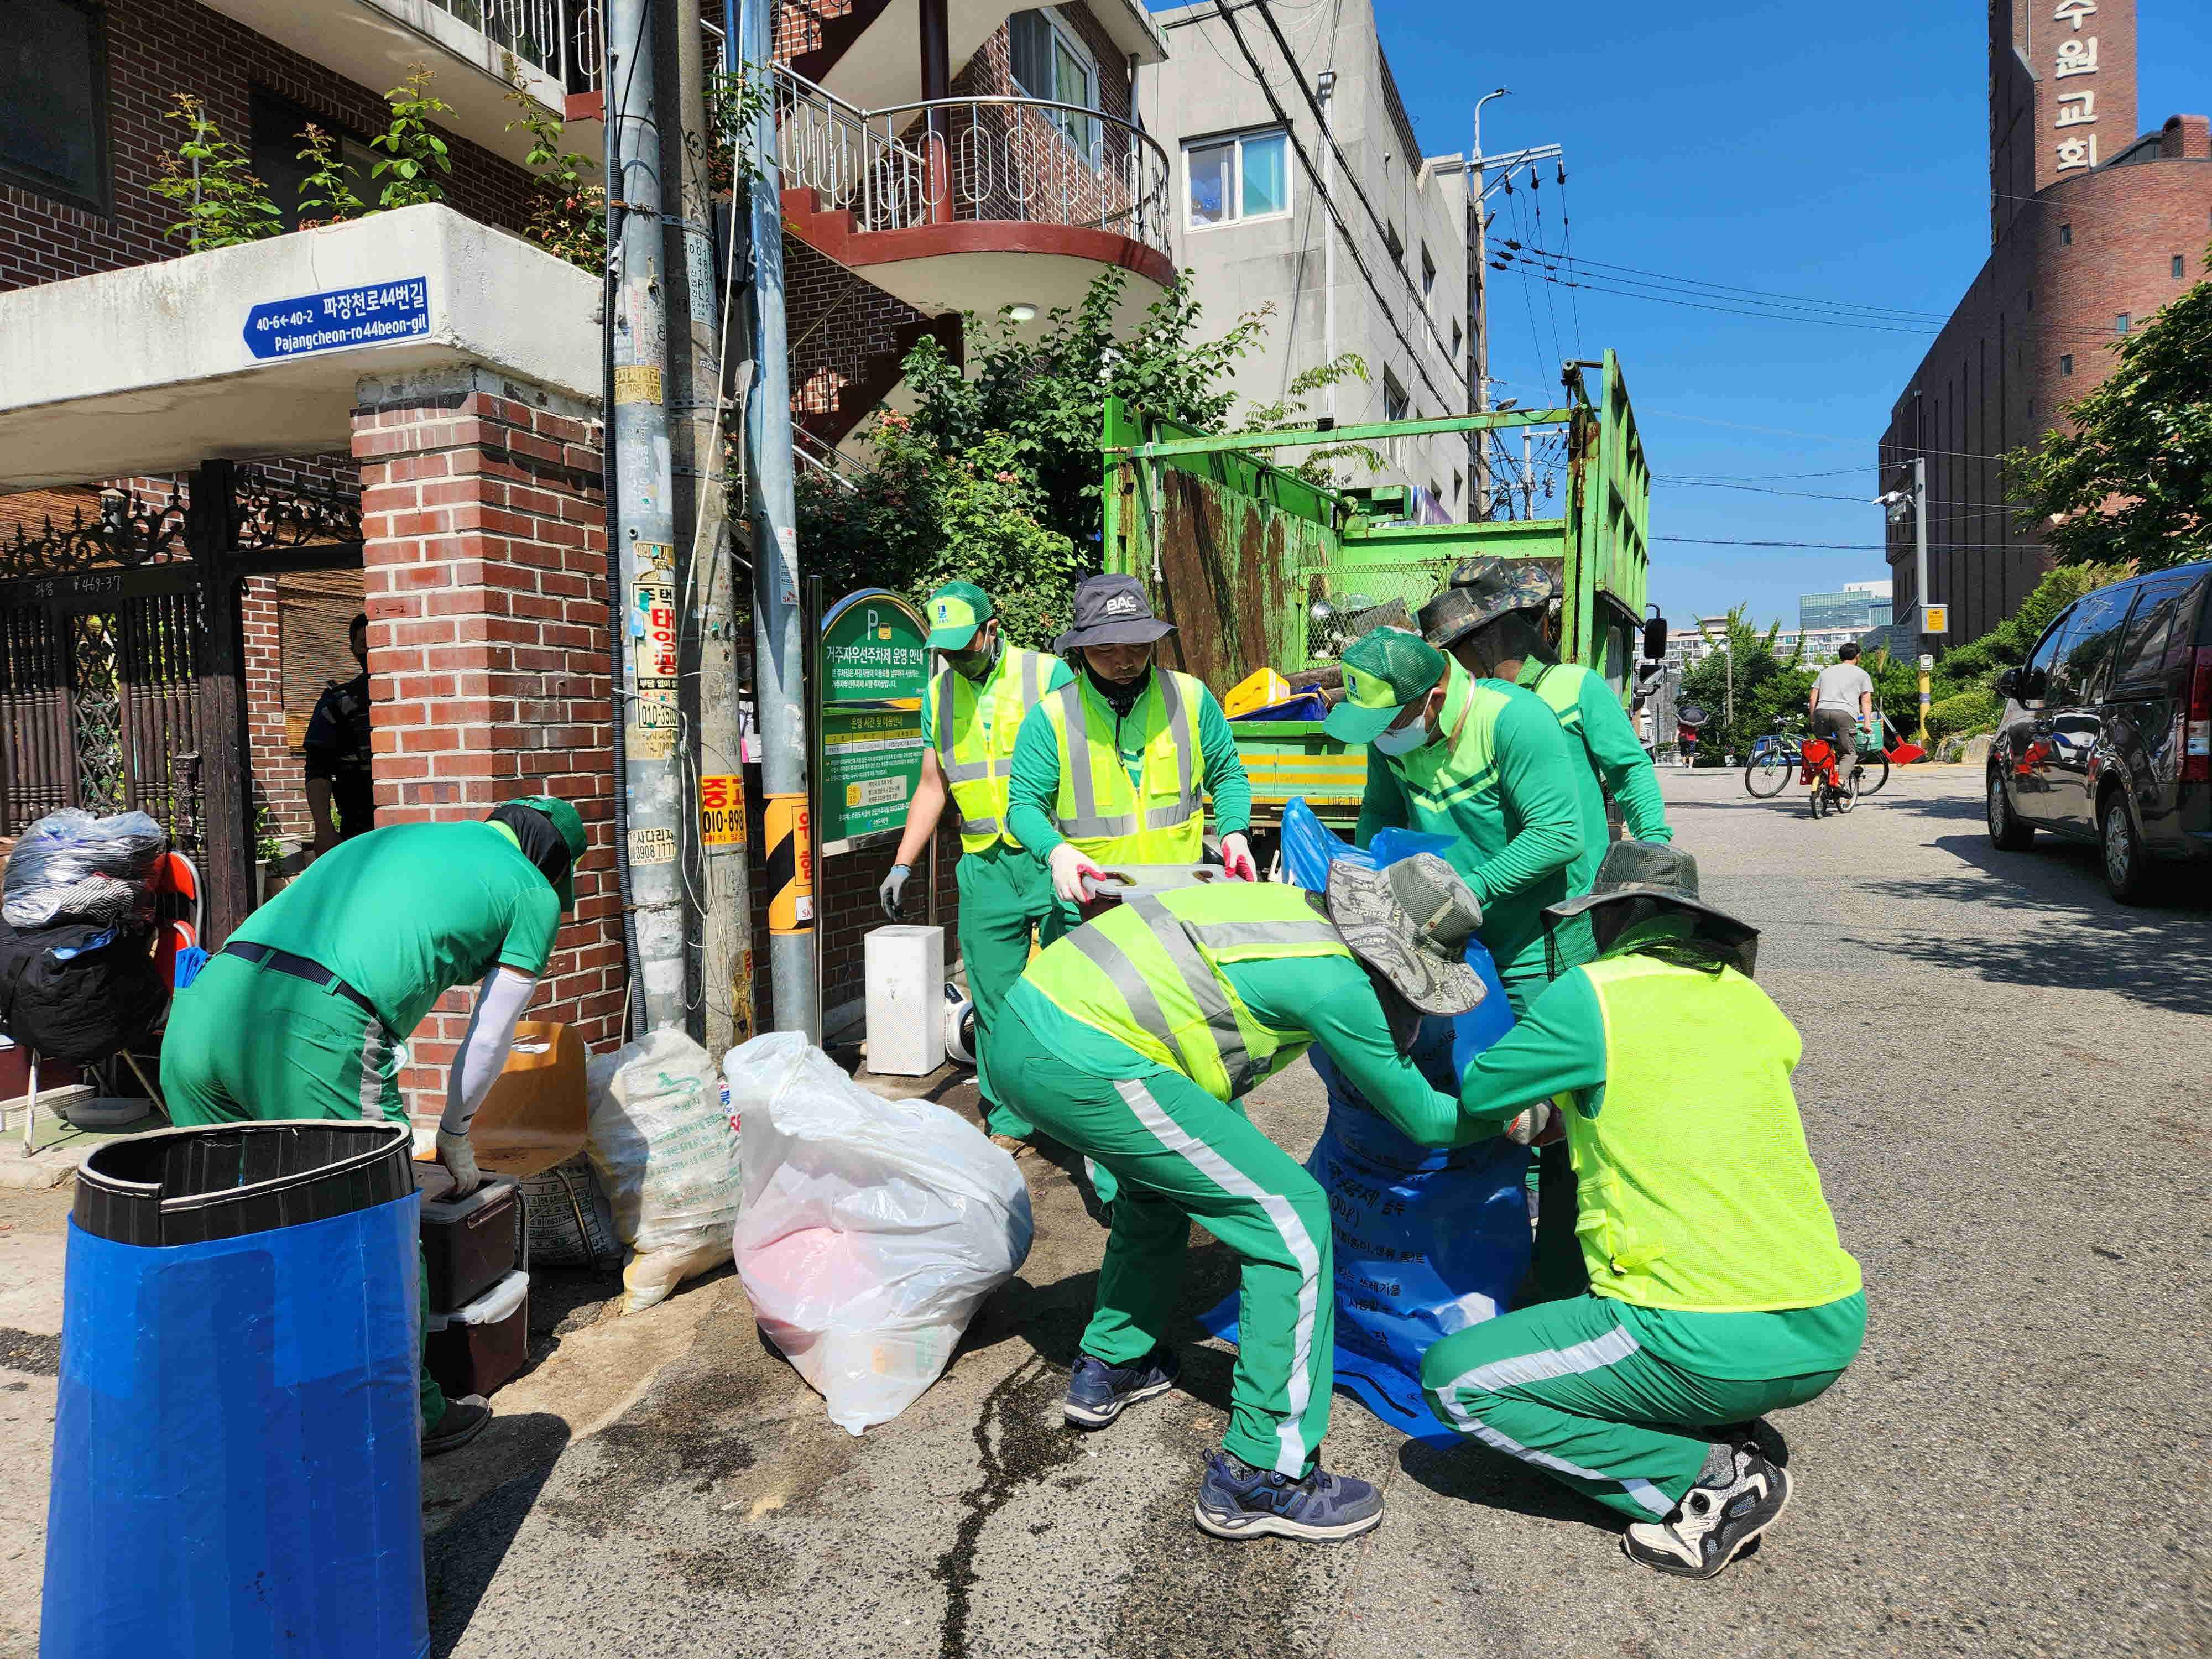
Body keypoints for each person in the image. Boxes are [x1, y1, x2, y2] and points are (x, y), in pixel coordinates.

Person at [996, 853, 1493, 1541]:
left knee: (1159, 1187)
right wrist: (1516, 1118)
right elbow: (1427, 1118)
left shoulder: (1288, 910)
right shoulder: (1341, 983)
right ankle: (1264, 1474)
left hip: (1026, 1025)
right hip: (1087, 1058)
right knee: (1290, 1219)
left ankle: (1114, 1362)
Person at [1420, 841, 1865, 1579]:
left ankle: (1705, 1485)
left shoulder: (1593, 993)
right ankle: (1720, 1420)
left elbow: (1484, 1092)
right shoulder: (1749, 1000)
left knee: (1457, 1381)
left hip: (1696, 1335)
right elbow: (1684, 1098)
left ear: (1613, 918)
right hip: (1828, 1323)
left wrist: (1553, 1096)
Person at [160, 795, 589, 1458]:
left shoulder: (396, 839)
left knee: (230, 1226)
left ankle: (243, 1412)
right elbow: (492, 1032)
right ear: (551, 861)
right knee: (376, 1233)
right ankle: (407, 1419)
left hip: (205, 1010)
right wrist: (453, 1134)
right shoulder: (530, 890)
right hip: (312, 1033)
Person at [879, 582, 1072, 1149]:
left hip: (1053, 858)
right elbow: (932, 785)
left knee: (1075, 994)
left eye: (967, 646)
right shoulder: (938, 695)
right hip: (984, 869)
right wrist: (902, 863)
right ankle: (1011, 1119)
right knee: (993, 1002)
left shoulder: (1047, 676)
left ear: (993, 629)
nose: (958, 659)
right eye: (948, 651)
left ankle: (1082, 1116)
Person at [1329, 627, 1588, 1020]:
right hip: (1443, 941)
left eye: (1387, 722)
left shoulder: (1513, 718)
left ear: (1434, 699)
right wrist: (1369, 885)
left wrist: (1464, 893)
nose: (1379, 734)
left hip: (1531, 945)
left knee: (1535, 1072)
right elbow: (1381, 814)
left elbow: (1558, 835)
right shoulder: (1390, 737)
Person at [1006, 572, 1256, 930]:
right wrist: (1056, 852)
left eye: (1138, 646)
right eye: (1106, 649)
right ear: (1080, 649)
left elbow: (1228, 774)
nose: (1124, 661)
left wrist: (1234, 833)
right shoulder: (1051, 717)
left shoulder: (1191, 698)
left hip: (1182, 904)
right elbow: (1023, 807)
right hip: (1092, 908)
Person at [1420, 559, 1671, 846]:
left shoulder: (1575, 687)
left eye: (1452, 649)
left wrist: (1654, 844)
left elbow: (1627, 769)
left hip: (1576, 886)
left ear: (1486, 641)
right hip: (1488, 882)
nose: (1447, 663)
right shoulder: (1453, 706)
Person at [304, 612, 374, 858]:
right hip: (359, 830)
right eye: (365, 643)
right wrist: (323, 829)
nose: (372, 650)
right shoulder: (338, 704)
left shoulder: (422, 697)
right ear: (354, 649)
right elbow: (317, 768)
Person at [1808, 642, 1876, 792]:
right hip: (1845, 714)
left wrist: (1813, 719)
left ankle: (1822, 781)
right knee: (1849, 753)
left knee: (1823, 749)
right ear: (1858, 656)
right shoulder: (1862, 674)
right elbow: (1866, 700)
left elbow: (1813, 697)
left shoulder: (1826, 672)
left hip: (1822, 712)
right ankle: (1839, 781)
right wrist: (1867, 724)